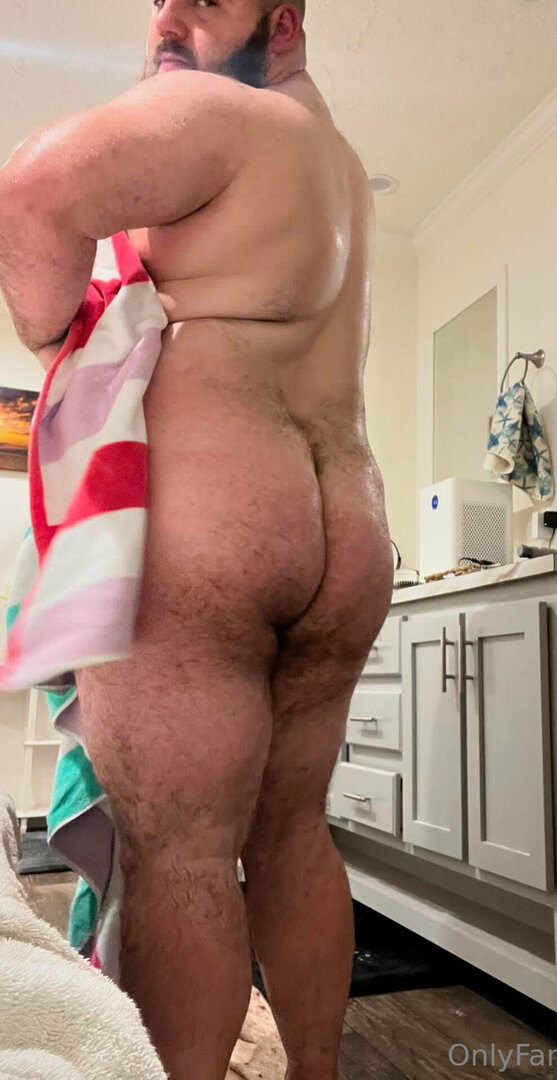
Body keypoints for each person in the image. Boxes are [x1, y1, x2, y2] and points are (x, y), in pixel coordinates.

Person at [0, 2, 394, 1078]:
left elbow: (31, 188)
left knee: (181, 858)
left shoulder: (220, 113)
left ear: (283, 24)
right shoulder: (339, 171)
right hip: (348, 523)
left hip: (214, 526)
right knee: (293, 832)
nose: (172, 16)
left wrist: (48, 330)